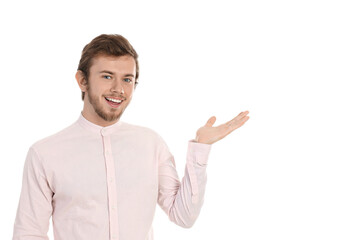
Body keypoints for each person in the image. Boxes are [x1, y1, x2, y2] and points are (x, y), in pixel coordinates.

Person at [12, 34, 250, 240]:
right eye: (107, 76)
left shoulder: (151, 144)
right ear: (82, 81)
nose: (119, 89)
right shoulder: (45, 153)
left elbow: (184, 216)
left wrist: (200, 148)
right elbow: (29, 233)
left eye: (127, 79)